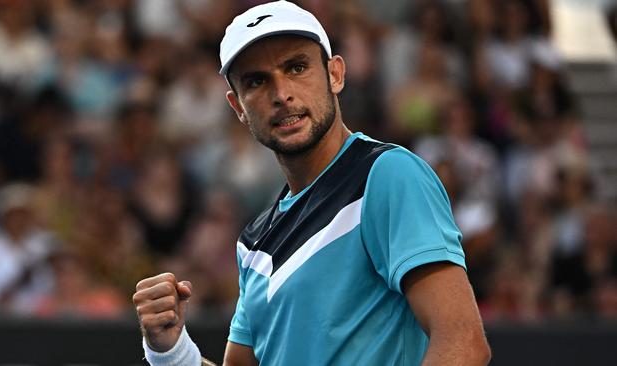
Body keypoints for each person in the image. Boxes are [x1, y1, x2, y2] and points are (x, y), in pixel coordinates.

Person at [132, 1, 491, 365]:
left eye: (297, 67)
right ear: (238, 107)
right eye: (256, 81)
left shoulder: (386, 175)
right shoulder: (254, 244)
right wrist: (172, 353)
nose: (281, 93)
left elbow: (462, 343)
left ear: (335, 74)